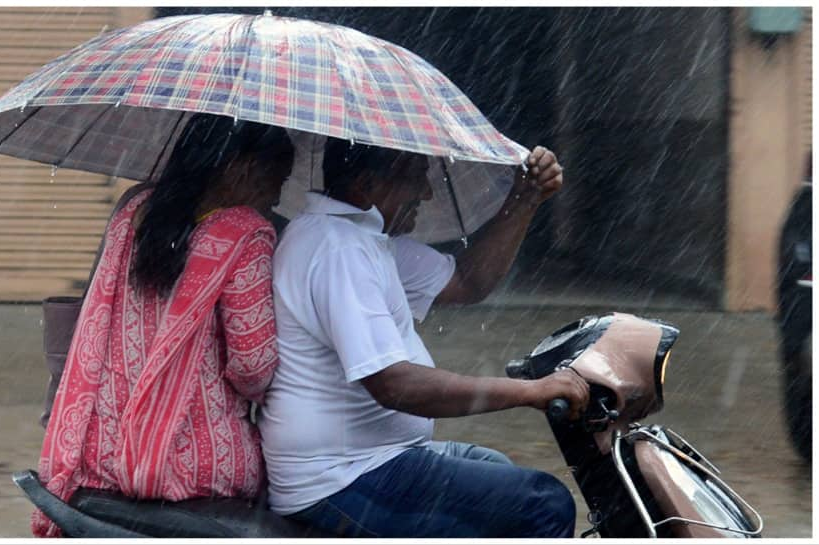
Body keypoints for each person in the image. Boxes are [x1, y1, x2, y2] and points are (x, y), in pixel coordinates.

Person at [259, 138, 591, 538]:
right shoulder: (338, 250)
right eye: (415, 178)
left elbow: (469, 281)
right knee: (544, 503)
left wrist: (524, 199)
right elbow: (394, 385)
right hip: (340, 477)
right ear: (366, 185)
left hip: (372, 459)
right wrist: (529, 392)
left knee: (497, 468)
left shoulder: (364, 239)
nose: (426, 192)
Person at [33, 114, 295, 537]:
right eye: (276, 184)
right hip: (199, 468)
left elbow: (95, 324)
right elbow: (253, 366)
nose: (272, 202)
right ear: (242, 169)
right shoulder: (246, 236)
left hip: (101, 455)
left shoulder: (132, 214)